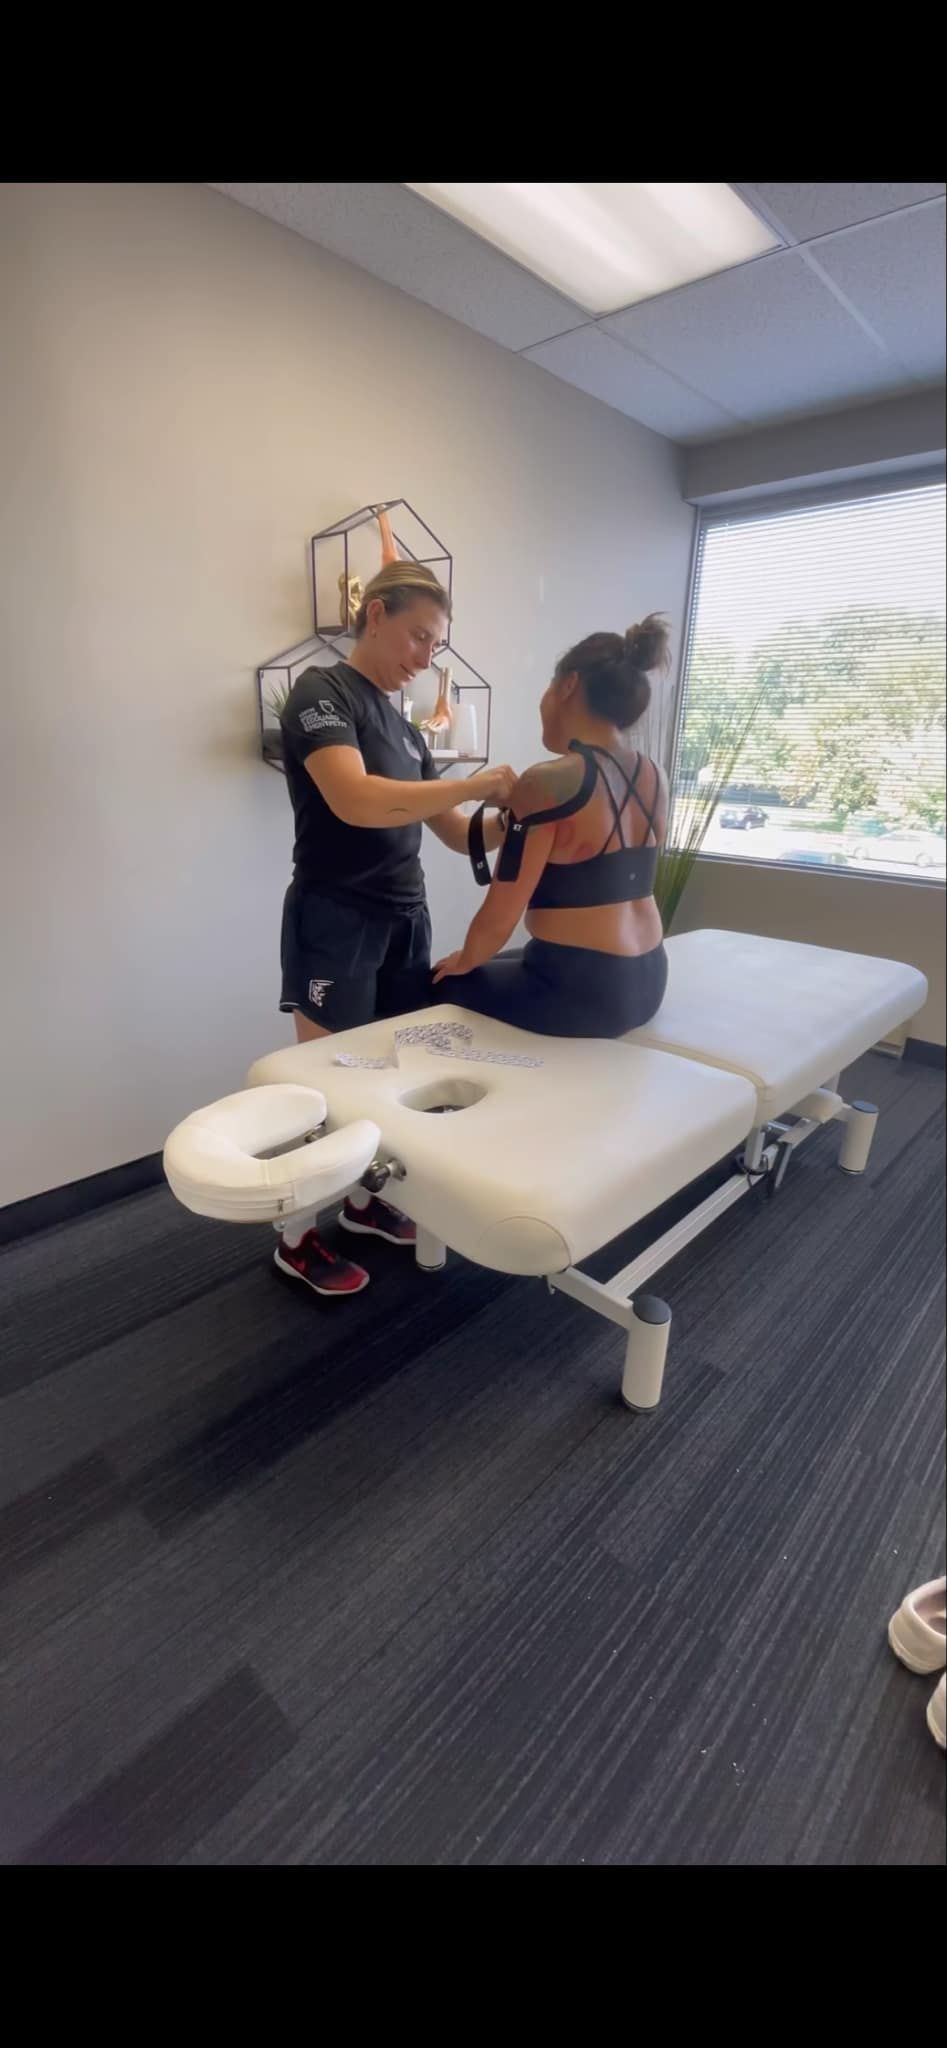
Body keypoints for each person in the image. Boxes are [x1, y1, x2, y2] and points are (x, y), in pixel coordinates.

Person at [275, 559, 515, 1298]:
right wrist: (477, 780)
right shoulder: (321, 694)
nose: (424, 657)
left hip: (404, 917)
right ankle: (294, 1237)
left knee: (389, 1075)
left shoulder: (405, 728)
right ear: (374, 615)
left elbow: (451, 833)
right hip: (336, 916)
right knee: (323, 1087)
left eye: (435, 646)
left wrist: (531, 816)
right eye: (418, 637)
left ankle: (364, 1203)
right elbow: (353, 800)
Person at [432, 617, 672, 1037]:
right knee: (497, 960)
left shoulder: (548, 781)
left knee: (429, 985)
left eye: (548, 686)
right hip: (649, 977)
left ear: (567, 686)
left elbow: (497, 919)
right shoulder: (654, 776)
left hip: (580, 990)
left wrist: (463, 962)